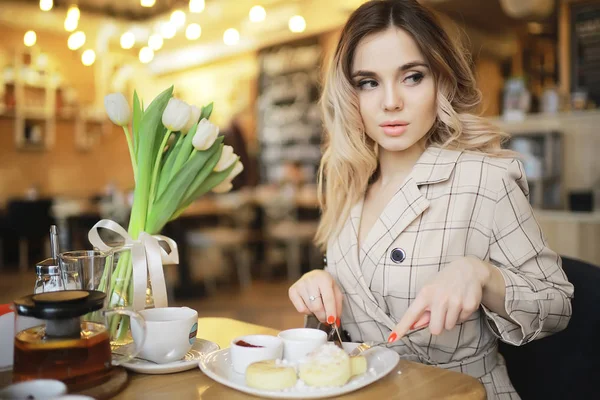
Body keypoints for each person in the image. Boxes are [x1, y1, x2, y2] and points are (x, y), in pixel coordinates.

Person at [287, 1, 574, 398]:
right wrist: (322, 286)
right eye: (368, 82)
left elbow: (556, 305)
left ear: (442, 80)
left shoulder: (483, 179)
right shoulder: (348, 182)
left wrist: (482, 275)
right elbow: (356, 314)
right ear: (349, 93)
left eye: (412, 77)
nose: (390, 102)